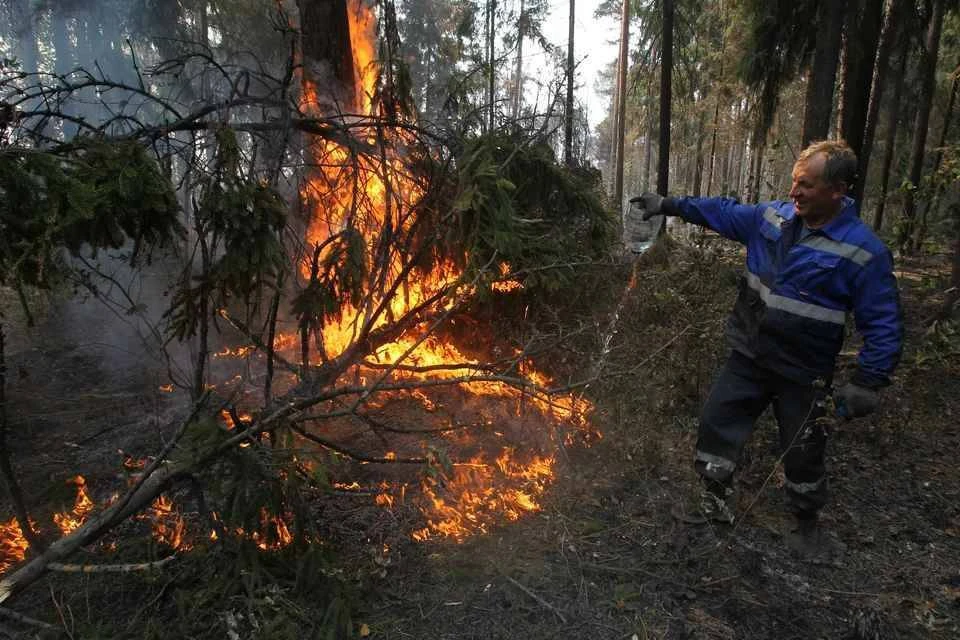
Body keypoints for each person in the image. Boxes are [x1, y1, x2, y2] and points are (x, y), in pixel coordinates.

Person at [630, 139, 903, 560]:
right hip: (749, 354)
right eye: (794, 182)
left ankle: (806, 526)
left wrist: (869, 380)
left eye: (807, 186)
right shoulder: (771, 219)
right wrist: (668, 204)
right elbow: (720, 212)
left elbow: (883, 320)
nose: (795, 193)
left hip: (804, 371)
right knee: (717, 422)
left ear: (837, 191)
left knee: (803, 449)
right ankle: (713, 502)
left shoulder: (862, 250)